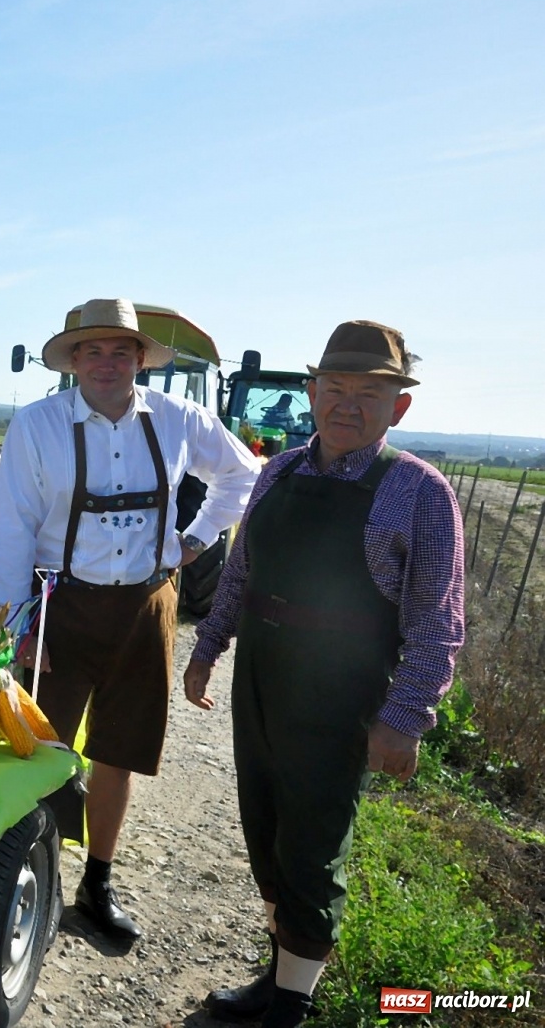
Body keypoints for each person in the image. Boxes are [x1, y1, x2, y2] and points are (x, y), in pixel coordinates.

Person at [185, 321, 463, 1028]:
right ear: (311, 393)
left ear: (397, 407)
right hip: (262, 678)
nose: (348, 403)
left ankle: (292, 1005)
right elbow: (242, 573)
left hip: (341, 691)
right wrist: (207, 645)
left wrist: (404, 720)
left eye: (370, 391)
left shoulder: (418, 491)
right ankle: (278, 974)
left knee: (313, 844)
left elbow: (436, 621)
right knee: (266, 830)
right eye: (335, 387)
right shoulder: (278, 471)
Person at [0, 299, 259, 942]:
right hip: (59, 606)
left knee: (120, 751)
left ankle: (97, 882)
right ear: (72, 361)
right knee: (38, 747)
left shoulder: (178, 418)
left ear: (140, 358)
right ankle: (29, 871)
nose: (106, 363)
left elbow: (243, 477)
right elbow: (12, 528)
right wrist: (16, 627)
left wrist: (192, 542)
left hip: (147, 606)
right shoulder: (36, 424)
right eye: (92, 351)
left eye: (120, 351)